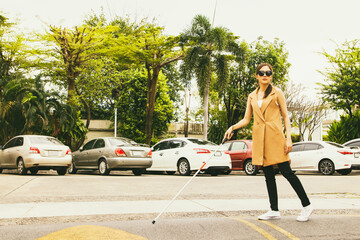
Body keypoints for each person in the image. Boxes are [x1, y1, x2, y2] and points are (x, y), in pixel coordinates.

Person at [223, 62, 313, 222]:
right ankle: (274, 209)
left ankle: (307, 205)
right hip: (260, 138)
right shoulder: (252, 96)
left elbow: (286, 116)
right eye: (262, 73)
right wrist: (232, 127)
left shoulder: (277, 92)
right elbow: (246, 119)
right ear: (256, 76)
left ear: (271, 76)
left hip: (275, 136)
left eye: (268, 73)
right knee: (268, 174)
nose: (265, 75)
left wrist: (289, 138)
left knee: (286, 171)